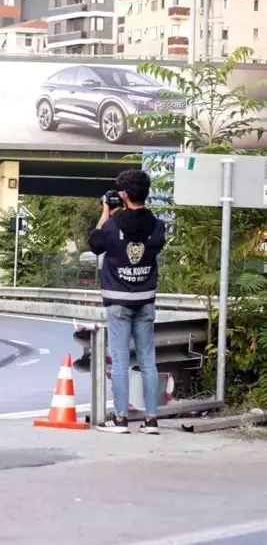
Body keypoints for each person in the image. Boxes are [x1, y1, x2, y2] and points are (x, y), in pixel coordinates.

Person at [89, 169, 166, 435]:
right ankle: (151, 420)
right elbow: (156, 246)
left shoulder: (112, 225)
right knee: (147, 360)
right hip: (145, 299)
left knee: (120, 359)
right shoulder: (157, 225)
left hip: (118, 300)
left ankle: (121, 419)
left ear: (123, 195)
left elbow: (96, 244)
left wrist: (105, 212)